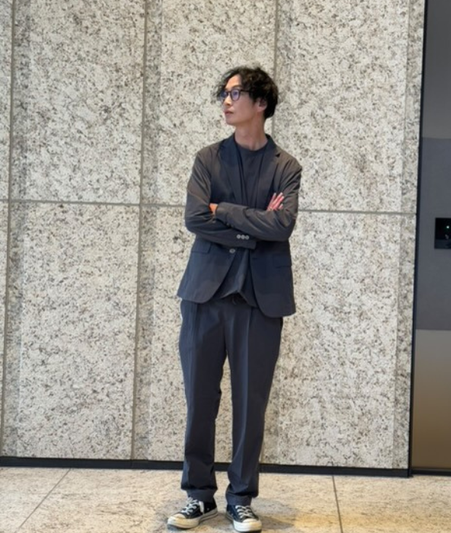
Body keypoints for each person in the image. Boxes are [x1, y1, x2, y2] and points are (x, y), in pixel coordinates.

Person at [167, 66, 302, 532]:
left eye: (236, 93)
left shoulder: (286, 166)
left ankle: (241, 499)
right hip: (204, 296)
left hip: (260, 300)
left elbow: (282, 226)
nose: (226, 101)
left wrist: (222, 210)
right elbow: (194, 219)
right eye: (224, 94)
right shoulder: (208, 159)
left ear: (260, 103)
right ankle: (198, 495)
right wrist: (252, 228)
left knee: (251, 405)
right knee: (199, 399)